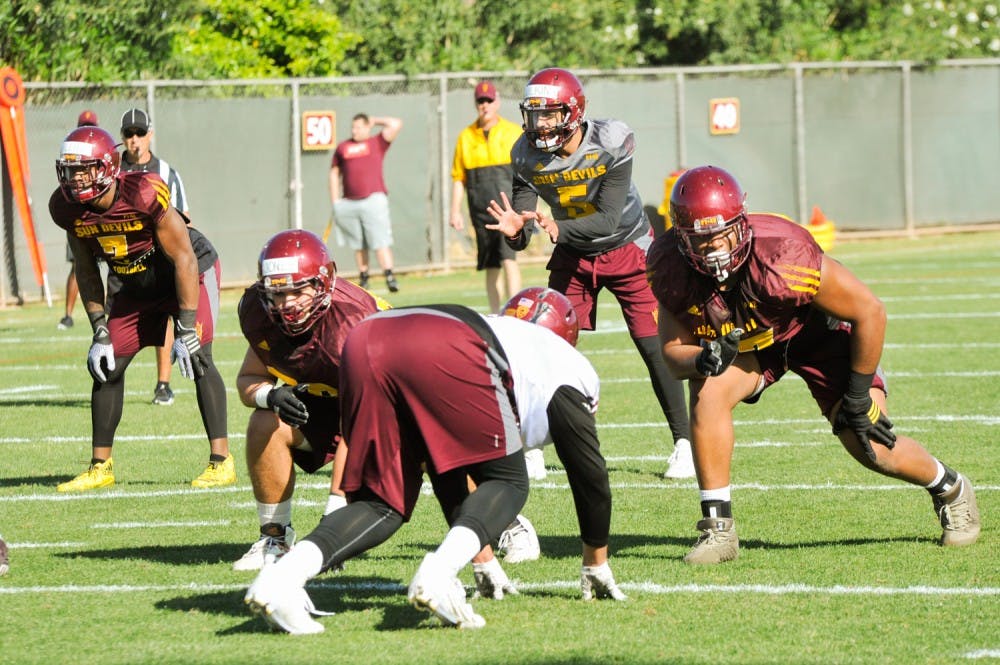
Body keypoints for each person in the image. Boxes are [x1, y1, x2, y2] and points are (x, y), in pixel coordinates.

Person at [646, 164, 981, 564]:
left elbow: (869, 311)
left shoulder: (784, 253)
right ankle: (719, 531)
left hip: (818, 334)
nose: (715, 248)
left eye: (722, 234)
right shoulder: (669, 265)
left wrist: (857, 396)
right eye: (701, 240)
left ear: (742, 222)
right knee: (707, 390)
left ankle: (951, 487)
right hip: (754, 346)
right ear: (680, 239)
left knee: (870, 443)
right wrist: (703, 357)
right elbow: (672, 355)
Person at [244, 296, 626, 634]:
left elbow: (446, 468)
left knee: (383, 503)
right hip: (444, 341)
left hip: (368, 337)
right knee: (510, 481)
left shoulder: (509, 339)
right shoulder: (568, 369)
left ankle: (283, 577)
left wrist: (482, 561)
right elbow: (588, 473)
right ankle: (438, 575)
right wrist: (595, 563)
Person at [485, 67, 695, 479]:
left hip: (627, 247)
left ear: (574, 112)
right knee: (543, 348)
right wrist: (516, 232)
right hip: (572, 256)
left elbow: (608, 217)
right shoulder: (525, 154)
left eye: (550, 114)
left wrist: (557, 227)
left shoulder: (611, 141)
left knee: (655, 348)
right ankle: (530, 445)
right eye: (534, 114)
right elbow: (525, 225)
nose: (540, 124)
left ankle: (684, 442)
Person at [49, 125, 235, 491]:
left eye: (83, 168)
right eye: (70, 170)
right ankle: (101, 466)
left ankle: (221, 460)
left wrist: (184, 327)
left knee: (199, 356)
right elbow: (85, 269)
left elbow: (183, 257)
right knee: (106, 365)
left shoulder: (144, 192)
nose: (75, 178)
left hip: (187, 271)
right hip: (135, 283)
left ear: (107, 166)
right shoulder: (66, 207)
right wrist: (99, 328)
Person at [232, 229, 389, 571]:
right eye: (278, 293)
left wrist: (334, 521)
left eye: (297, 291)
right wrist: (269, 395)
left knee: (438, 458)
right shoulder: (260, 313)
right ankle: (275, 537)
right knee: (265, 421)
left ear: (323, 283)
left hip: (392, 404)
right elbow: (248, 379)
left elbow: (358, 425)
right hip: (328, 399)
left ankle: (497, 521)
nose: (286, 304)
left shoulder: (352, 325)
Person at [119, 108, 191, 406]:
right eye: (129, 134)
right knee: (116, 327)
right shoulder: (112, 171)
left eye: (140, 133)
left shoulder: (166, 173)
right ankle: (112, 385)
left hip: (158, 260)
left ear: (150, 134)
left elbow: (185, 217)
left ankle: (163, 384)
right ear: (122, 138)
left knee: (165, 320)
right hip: (121, 263)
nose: (135, 140)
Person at [449, 80, 523, 313]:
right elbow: (459, 178)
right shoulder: (466, 136)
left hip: (507, 210)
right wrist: (455, 211)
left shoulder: (513, 132)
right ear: (476, 104)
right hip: (480, 210)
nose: (485, 105)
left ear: (497, 102)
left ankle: (515, 312)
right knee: (491, 265)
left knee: (509, 259)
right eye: (481, 101)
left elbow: (526, 173)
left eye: (489, 100)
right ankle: (495, 315)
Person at [329, 113, 403, 292]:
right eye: (353, 127)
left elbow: (396, 123)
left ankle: (389, 276)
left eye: (359, 127)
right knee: (358, 243)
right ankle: (364, 276)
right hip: (350, 202)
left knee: (380, 240)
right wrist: (335, 201)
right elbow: (334, 173)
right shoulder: (343, 147)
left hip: (373, 199)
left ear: (367, 127)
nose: (355, 130)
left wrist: (375, 120)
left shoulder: (376, 142)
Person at [57, 109, 101, 331]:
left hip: (102, 218)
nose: (85, 129)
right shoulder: (71, 150)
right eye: (83, 125)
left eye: (89, 126)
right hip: (81, 217)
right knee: (78, 265)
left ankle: (116, 310)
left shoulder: (99, 150)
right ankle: (67, 314)